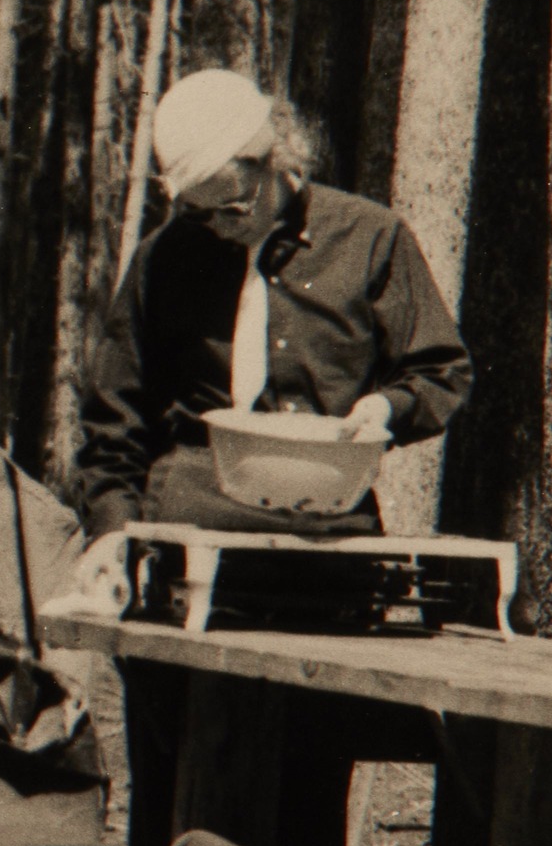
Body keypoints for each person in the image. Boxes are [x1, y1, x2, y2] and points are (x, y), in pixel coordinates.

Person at [70, 68, 471, 550]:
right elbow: (115, 421)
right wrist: (111, 536)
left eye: (234, 208)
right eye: (199, 212)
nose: (219, 228)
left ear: (276, 157)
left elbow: (441, 370)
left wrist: (385, 409)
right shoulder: (164, 257)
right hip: (184, 525)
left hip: (329, 523)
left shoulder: (371, 237)